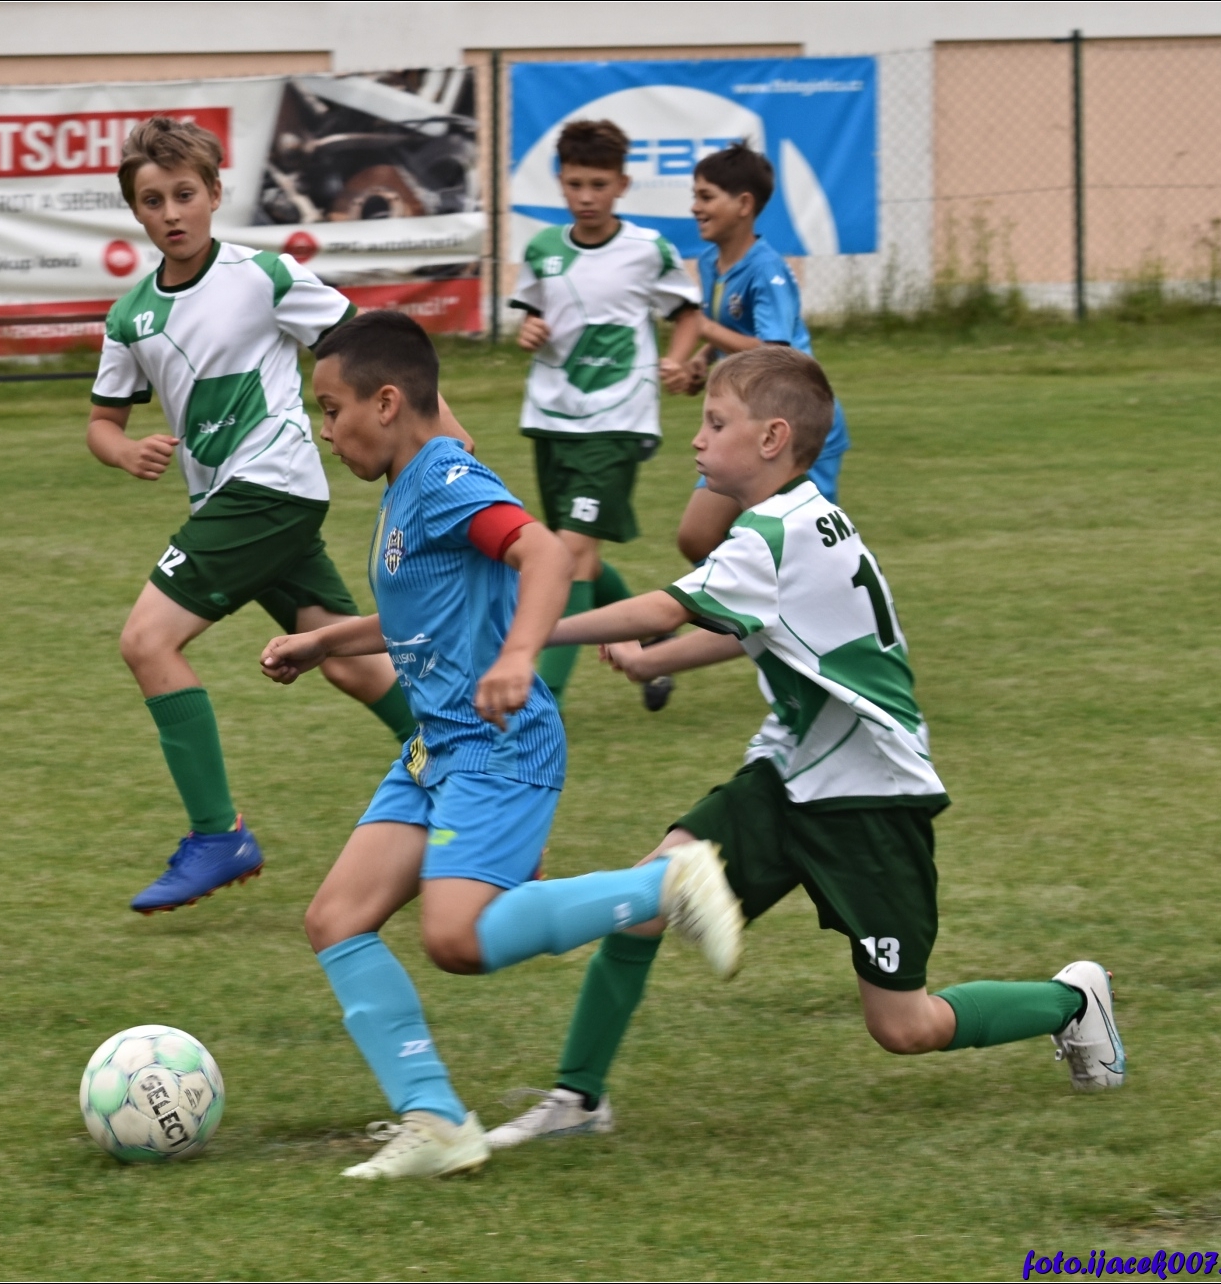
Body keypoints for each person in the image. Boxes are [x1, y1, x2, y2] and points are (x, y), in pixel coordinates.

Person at [487, 345, 1125, 1151]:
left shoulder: (772, 533)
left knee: (903, 1025)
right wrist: (657, 662)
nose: (697, 439)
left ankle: (1073, 1002)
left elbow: (662, 608)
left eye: (715, 423)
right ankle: (577, 1100)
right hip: (788, 774)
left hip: (871, 797)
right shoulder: (796, 518)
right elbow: (762, 628)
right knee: (643, 902)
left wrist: (527, 634)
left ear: (772, 438)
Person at [260, 311, 743, 1180]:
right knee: (336, 919)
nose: (325, 431)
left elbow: (547, 556)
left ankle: (664, 885)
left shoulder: (445, 479)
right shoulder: (412, 479)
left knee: (456, 938)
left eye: (331, 409)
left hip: (498, 745)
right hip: (435, 750)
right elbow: (421, 618)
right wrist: (325, 640)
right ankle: (438, 1121)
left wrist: (520, 656)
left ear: (387, 402)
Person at [87, 117, 433, 914]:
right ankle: (467, 769)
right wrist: (123, 450)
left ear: (214, 194)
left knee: (147, 641)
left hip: (270, 486)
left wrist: (442, 437)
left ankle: (218, 836)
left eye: (185, 194)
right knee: (348, 660)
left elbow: (370, 350)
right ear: (136, 212)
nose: (171, 212)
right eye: (152, 201)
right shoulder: (130, 316)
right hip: (240, 501)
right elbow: (101, 422)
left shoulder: (262, 276)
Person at [645, 142, 856, 711]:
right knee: (697, 537)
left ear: (743, 205)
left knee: (806, 555)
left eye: (706, 196)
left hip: (797, 430)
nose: (695, 207)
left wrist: (704, 331)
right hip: (750, 427)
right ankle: (770, 615)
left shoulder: (766, 269)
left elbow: (778, 356)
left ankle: (831, 629)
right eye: (694, 195)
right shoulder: (713, 263)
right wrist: (700, 368)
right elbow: (733, 350)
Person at [510, 119, 702, 706]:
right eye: (575, 184)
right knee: (574, 556)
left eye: (598, 184)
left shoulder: (648, 250)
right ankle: (653, 630)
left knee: (568, 556)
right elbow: (533, 316)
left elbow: (687, 314)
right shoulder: (543, 249)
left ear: (622, 184)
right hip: (552, 417)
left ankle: (541, 701)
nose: (586, 197)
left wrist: (677, 359)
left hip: (619, 420)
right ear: (560, 183)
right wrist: (529, 329)